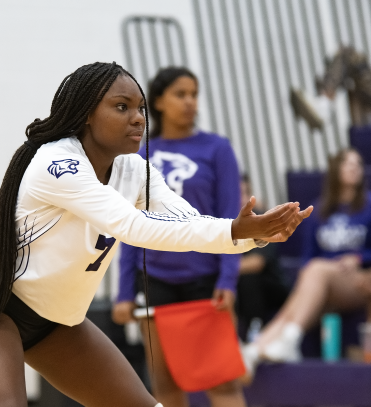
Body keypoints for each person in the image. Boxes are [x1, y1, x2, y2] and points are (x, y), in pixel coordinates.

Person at [0, 62, 311, 407]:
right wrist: (233, 230)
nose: (137, 118)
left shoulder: (135, 170)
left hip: (58, 323)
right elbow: (133, 227)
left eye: (141, 109)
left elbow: (189, 221)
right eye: (122, 107)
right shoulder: (57, 163)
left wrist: (254, 235)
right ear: (87, 113)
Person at [111, 67, 249, 407]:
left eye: (194, 94)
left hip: (205, 280)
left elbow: (231, 219)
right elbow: (130, 226)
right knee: (165, 382)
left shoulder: (217, 148)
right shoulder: (140, 154)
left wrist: (228, 280)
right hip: (154, 279)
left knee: (222, 383)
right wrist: (124, 292)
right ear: (158, 101)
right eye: (180, 94)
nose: (190, 102)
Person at [243, 148, 371, 377]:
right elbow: (307, 257)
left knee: (316, 271)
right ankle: (258, 349)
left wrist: (359, 257)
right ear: (335, 170)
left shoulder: (368, 205)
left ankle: (285, 340)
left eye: (358, 164)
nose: (354, 168)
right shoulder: (320, 209)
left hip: (359, 280)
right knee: (310, 277)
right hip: (323, 281)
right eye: (347, 163)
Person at [237, 174, 289, 341]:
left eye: (245, 193)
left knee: (249, 278)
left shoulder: (262, 219)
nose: (242, 199)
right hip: (236, 286)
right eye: (236, 193)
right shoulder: (218, 222)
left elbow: (256, 263)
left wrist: (221, 267)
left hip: (269, 286)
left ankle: (255, 333)